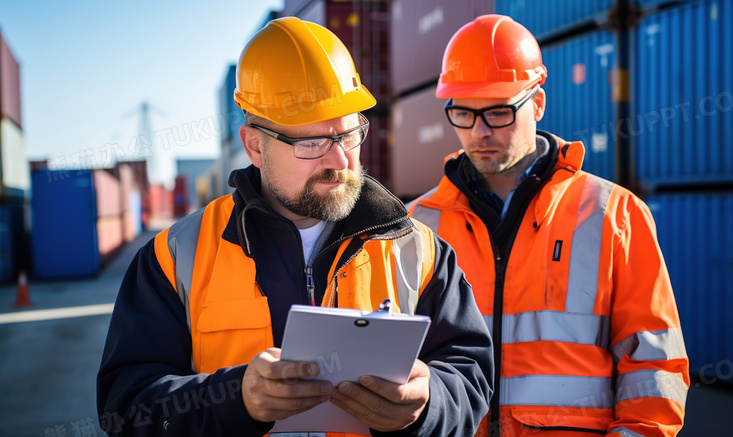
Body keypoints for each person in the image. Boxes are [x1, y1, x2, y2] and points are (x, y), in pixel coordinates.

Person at [97, 17, 493, 437]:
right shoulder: (175, 258)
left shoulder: (418, 250)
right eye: (311, 143)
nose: (340, 161)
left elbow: (470, 375)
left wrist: (427, 408)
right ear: (255, 146)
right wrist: (236, 399)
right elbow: (126, 408)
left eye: (349, 135)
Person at [407, 14, 689, 437]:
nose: (479, 131)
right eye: (463, 113)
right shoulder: (416, 226)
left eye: (499, 111)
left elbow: (654, 365)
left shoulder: (613, 214)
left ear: (537, 103)